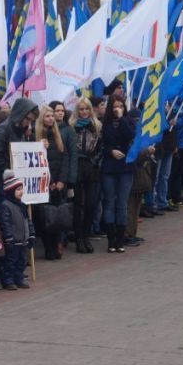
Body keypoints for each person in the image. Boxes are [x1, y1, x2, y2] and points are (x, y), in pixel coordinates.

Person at [100, 96, 134, 253]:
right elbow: (101, 145)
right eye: (115, 106)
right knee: (109, 203)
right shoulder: (104, 123)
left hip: (125, 166)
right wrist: (111, 151)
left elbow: (130, 136)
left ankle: (120, 239)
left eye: (121, 106)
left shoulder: (128, 121)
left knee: (122, 204)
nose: (118, 109)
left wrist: (122, 119)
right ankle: (110, 240)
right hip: (109, 166)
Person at [69, 98, 103, 253]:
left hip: (91, 167)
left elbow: (101, 148)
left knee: (90, 204)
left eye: (86, 109)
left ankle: (86, 236)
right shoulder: (71, 127)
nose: (84, 112)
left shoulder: (97, 126)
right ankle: (78, 238)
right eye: (81, 109)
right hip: (76, 167)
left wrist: (94, 160)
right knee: (76, 205)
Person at [35, 106, 68, 260]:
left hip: (57, 184)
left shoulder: (57, 135)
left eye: (52, 116)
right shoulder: (37, 137)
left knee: (56, 217)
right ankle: (48, 247)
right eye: (47, 116)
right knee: (44, 218)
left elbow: (64, 159)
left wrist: (61, 180)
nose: (50, 118)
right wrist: (49, 181)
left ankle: (56, 244)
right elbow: (38, 163)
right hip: (44, 184)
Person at [0, 98, 39, 189]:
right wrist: (11, 168)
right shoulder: (3, 130)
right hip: (3, 180)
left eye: (31, 120)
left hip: (14, 179)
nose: (28, 123)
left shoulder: (20, 130)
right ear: (21, 114)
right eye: (28, 119)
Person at [0, 170, 34, 290]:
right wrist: (8, 238)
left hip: (23, 240)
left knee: (22, 261)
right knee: (10, 261)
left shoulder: (22, 205)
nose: (21, 192)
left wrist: (31, 234)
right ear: (10, 191)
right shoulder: (6, 205)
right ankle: (8, 280)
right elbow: (5, 224)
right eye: (18, 189)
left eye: (21, 189)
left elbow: (28, 221)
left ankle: (19, 278)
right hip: (13, 240)